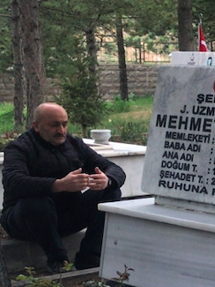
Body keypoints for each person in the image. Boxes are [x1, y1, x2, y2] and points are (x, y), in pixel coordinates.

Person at [1, 103, 126, 273]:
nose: (61, 130)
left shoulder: (73, 144)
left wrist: (107, 180)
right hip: (25, 220)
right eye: (54, 125)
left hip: (65, 216)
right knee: (37, 201)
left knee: (111, 191)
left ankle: (90, 258)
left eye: (64, 124)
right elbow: (13, 181)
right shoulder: (19, 148)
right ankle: (59, 262)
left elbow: (114, 169)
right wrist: (58, 185)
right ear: (37, 126)